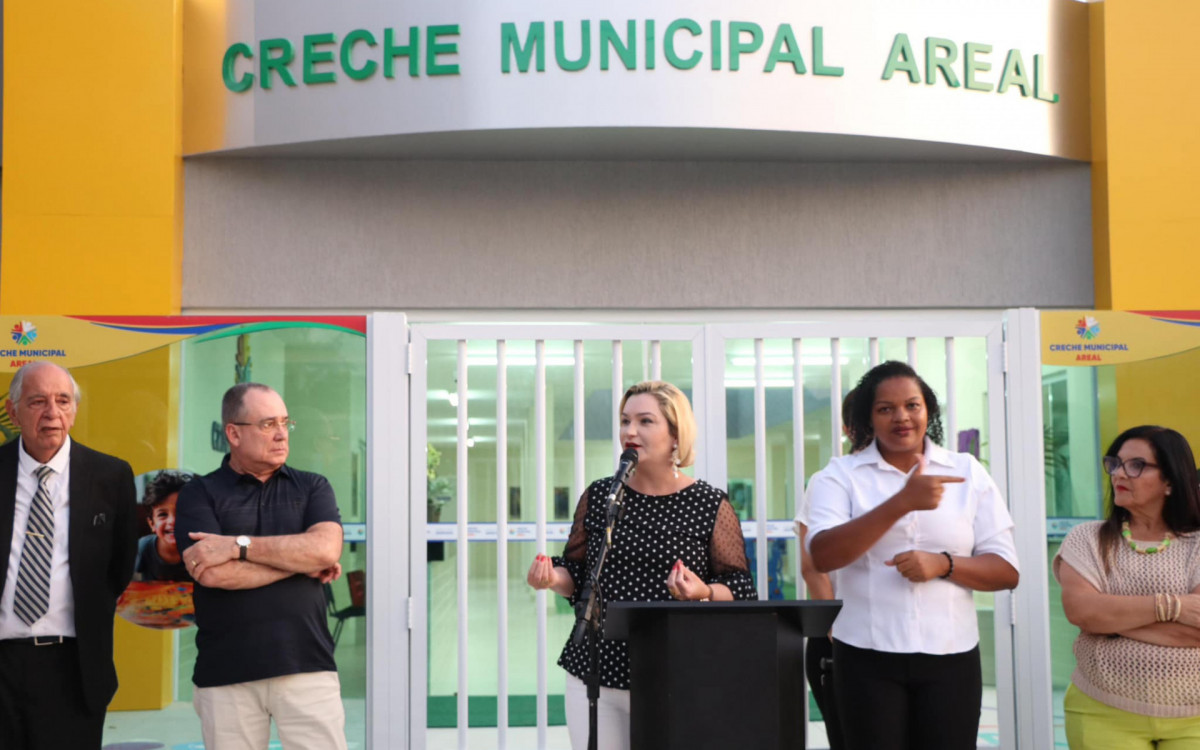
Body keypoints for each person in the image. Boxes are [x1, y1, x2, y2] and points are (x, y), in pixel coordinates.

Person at [526, 380, 757, 750]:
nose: (630, 431)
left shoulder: (708, 503)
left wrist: (703, 591)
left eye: (645, 421)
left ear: (676, 434)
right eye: (624, 420)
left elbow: (741, 587)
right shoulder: (602, 494)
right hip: (597, 669)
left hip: (677, 669)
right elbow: (580, 573)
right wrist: (553, 577)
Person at [807, 361, 1019, 750]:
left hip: (951, 657)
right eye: (885, 408)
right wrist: (902, 502)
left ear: (928, 410)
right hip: (865, 657)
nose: (901, 417)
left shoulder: (966, 472)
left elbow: (1006, 571)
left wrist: (945, 563)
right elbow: (823, 556)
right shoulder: (839, 475)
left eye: (912, 405)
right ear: (868, 417)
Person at [175, 382, 347, 750]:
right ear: (234, 433)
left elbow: (325, 550)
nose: (282, 434)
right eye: (268, 424)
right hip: (226, 674)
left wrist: (237, 545)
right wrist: (300, 563)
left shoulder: (313, 487)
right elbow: (213, 572)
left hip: (306, 664)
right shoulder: (199, 493)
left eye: (286, 423)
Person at [0, 361, 138, 749]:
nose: (52, 413)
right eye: (38, 401)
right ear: (13, 412)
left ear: (74, 411)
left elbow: (119, 567)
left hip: (74, 668)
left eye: (63, 401)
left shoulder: (110, 477)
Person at [1054, 425, 1200, 748]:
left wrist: (1113, 622)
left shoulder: (1197, 544)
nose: (1119, 473)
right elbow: (1082, 611)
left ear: (1170, 482)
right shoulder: (1087, 539)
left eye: (1136, 465)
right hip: (1101, 710)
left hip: (1194, 719)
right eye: (1115, 463)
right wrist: (1172, 607)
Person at [794, 387, 856, 750]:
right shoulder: (827, 481)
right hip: (837, 637)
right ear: (850, 428)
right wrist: (833, 623)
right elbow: (811, 565)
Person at [134, 470, 194, 582]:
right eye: (162, 514)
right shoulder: (143, 548)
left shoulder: (200, 550)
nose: (173, 521)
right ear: (152, 524)